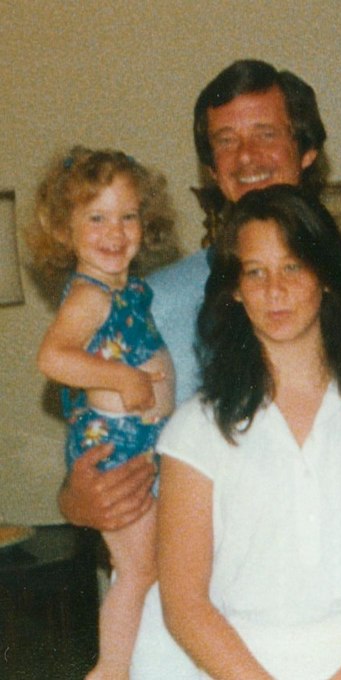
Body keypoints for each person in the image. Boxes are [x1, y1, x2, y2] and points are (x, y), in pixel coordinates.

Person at [52, 60, 341, 678]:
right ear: (211, 169)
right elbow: (92, 448)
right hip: (193, 626)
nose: (246, 157)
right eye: (226, 141)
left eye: (266, 134)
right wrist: (76, 499)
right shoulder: (144, 303)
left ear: (307, 152)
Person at [155, 184, 341, 678]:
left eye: (292, 267)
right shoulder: (196, 428)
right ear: (234, 289)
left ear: (326, 277)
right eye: (255, 272)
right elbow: (184, 604)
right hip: (240, 665)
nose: (274, 290)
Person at [27, 146, 178, 679]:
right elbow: (53, 357)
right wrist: (121, 378)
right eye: (96, 218)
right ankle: (110, 670)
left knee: (150, 567)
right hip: (115, 449)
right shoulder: (89, 295)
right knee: (137, 570)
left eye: (128, 216)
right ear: (64, 231)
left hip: (142, 443)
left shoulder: (126, 290)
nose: (115, 232)